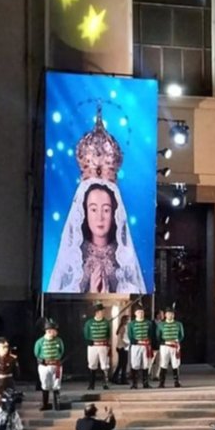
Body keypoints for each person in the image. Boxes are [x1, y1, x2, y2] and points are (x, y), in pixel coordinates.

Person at [47, 104, 146, 293]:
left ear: (115, 213)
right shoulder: (74, 255)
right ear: (83, 212)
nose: (100, 217)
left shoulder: (123, 257)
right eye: (93, 209)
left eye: (106, 209)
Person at [33, 319, 64, 410]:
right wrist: (41, 360)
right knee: (45, 384)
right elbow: (36, 353)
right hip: (44, 366)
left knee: (56, 384)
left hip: (56, 365)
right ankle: (45, 404)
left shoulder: (58, 340)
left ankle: (56, 404)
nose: (56, 332)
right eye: (54, 331)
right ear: (49, 331)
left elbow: (61, 351)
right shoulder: (40, 342)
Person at [83, 302, 111, 390]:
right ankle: (91, 384)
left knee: (105, 365)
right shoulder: (89, 323)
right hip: (93, 346)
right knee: (92, 364)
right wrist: (88, 341)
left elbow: (108, 334)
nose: (103, 313)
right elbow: (86, 333)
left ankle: (105, 383)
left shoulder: (106, 322)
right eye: (101, 311)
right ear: (97, 312)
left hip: (103, 345)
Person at [127, 303, 155, 389]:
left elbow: (151, 334)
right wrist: (134, 341)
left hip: (146, 345)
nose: (141, 314)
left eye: (142, 312)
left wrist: (149, 342)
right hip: (136, 346)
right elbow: (130, 335)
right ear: (135, 313)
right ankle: (134, 383)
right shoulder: (131, 324)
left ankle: (145, 383)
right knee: (135, 364)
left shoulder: (148, 323)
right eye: (139, 312)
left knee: (146, 364)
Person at [157, 305, 185, 388]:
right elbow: (158, 335)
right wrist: (163, 342)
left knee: (175, 364)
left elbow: (182, 335)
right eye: (169, 314)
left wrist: (177, 341)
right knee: (163, 363)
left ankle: (176, 382)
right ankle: (162, 382)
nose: (170, 315)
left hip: (175, 345)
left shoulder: (178, 324)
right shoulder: (161, 324)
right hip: (165, 346)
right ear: (165, 315)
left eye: (172, 314)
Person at [0, 339, 19, 408]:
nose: (5, 349)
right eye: (3, 347)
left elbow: (17, 373)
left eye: (6, 347)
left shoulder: (12, 358)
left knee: (10, 408)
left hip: (9, 385)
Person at [111, 314, 130, 385]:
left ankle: (116, 377)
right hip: (122, 347)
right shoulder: (123, 327)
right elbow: (121, 337)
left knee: (121, 364)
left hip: (123, 347)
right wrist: (126, 343)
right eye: (128, 319)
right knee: (123, 364)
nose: (129, 321)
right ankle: (122, 379)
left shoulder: (125, 327)